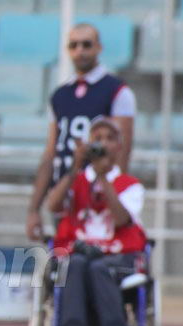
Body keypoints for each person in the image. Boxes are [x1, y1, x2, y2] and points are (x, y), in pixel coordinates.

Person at [27, 23, 136, 243]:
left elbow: (121, 152)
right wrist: (33, 208)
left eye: (87, 44)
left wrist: (114, 196)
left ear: (99, 48)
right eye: (74, 45)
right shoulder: (60, 95)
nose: (80, 51)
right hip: (64, 193)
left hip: (96, 199)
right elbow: (51, 153)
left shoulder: (116, 90)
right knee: (64, 267)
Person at [48, 117, 147, 326]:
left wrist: (103, 178)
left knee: (99, 268)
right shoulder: (77, 181)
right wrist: (75, 167)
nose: (103, 144)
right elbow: (53, 205)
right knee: (77, 264)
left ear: (119, 147)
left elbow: (122, 219)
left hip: (117, 255)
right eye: (97, 138)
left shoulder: (129, 184)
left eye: (109, 138)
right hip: (79, 252)